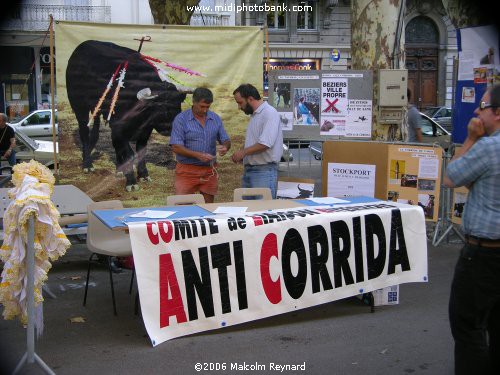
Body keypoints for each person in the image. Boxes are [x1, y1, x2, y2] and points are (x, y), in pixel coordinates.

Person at [443, 84, 500, 375]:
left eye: (483, 106)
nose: (477, 111)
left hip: (484, 255)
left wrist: (470, 138)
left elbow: (451, 177)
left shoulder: (490, 147)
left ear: (498, 113)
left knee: (467, 326)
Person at [170, 87, 231, 203]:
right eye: (202, 106)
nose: (205, 110)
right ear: (193, 102)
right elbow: (176, 146)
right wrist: (197, 155)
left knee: (208, 207)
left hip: (209, 170)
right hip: (186, 170)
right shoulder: (181, 119)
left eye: (208, 107)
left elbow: (226, 139)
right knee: (183, 208)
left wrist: (225, 147)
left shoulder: (215, 118)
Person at [231, 83, 283, 198]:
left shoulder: (269, 113)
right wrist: (244, 155)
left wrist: (243, 152)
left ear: (250, 98)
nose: (239, 107)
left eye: (240, 103)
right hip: (251, 170)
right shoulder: (255, 115)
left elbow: (265, 143)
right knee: (248, 212)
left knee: (262, 211)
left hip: (264, 171)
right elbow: (257, 142)